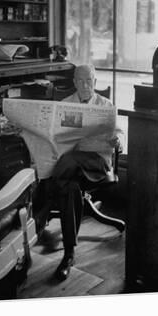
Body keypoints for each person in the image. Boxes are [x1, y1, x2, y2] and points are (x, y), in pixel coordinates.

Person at [51, 64, 120, 281]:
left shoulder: (105, 105)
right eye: (80, 81)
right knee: (70, 186)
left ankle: (43, 207)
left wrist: (117, 141)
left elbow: (119, 134)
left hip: (97, 161)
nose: (85, 85)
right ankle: (69, 253)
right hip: (73, 166)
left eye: (89, 80)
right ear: (74, 82)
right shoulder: (65, 105)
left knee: (67, 164)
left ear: (95, 82)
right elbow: (56, 136)